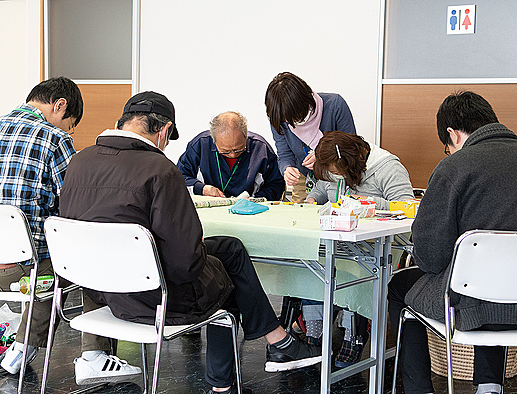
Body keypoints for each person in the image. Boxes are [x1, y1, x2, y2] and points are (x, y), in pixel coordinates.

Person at [59, 91, 321, 394]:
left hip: (102, 294)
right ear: (164, 130)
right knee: (228, 276)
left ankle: (276, 345)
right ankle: (251, 364)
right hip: (156, 301)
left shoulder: (79, 162)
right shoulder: (159, 170)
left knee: (230, 248)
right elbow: (186, 264)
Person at [387, 91, 517, 394]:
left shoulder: (455, 168)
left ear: (452, 134)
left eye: (448, 148)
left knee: (397, 286)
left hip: (479, 305)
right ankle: (490, 386)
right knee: (492, 274)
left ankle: (418, 390)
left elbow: (430, 259)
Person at [0, 77, 140, 384]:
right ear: (59, 105)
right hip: (23, 274)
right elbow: (77, 200)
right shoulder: (53, 139)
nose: (67, 132)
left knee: (47, 260)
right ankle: (93, 357)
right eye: (69, 124)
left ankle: (21, 349)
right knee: (91, 254)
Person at [302, 131, 414, 367]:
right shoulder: (333, 165)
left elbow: (408, 209)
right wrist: (311, 202)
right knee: (308, 258)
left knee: (355, 267)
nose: (334, 177)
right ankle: (315, 332)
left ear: (351, 164)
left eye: (337, 172)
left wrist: (368, 204)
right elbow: (320, 192)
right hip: (337, 240)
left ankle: (355, 333)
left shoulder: (387, 168)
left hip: (374, 247)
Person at [264, 72, 357, 201]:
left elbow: (352, 148)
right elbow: (284, 154)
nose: (290, 123)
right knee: (303, 217)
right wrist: (287, 169)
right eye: (286, 120)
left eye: (294, 117)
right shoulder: (279, 118)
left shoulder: (335, 105)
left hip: (337, 176)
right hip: (304, 180)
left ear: (306, 101)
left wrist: (323, 156)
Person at [177, 111, 285, 201]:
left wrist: (256, 199)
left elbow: (276, 184)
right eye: (225, 151)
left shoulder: (261, 149)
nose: (232, 155)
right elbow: (179, 176)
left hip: (250, 211)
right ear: (214, 140)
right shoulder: (200, 145)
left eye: (238, 149)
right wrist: (202, 188)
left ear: (245, 135)